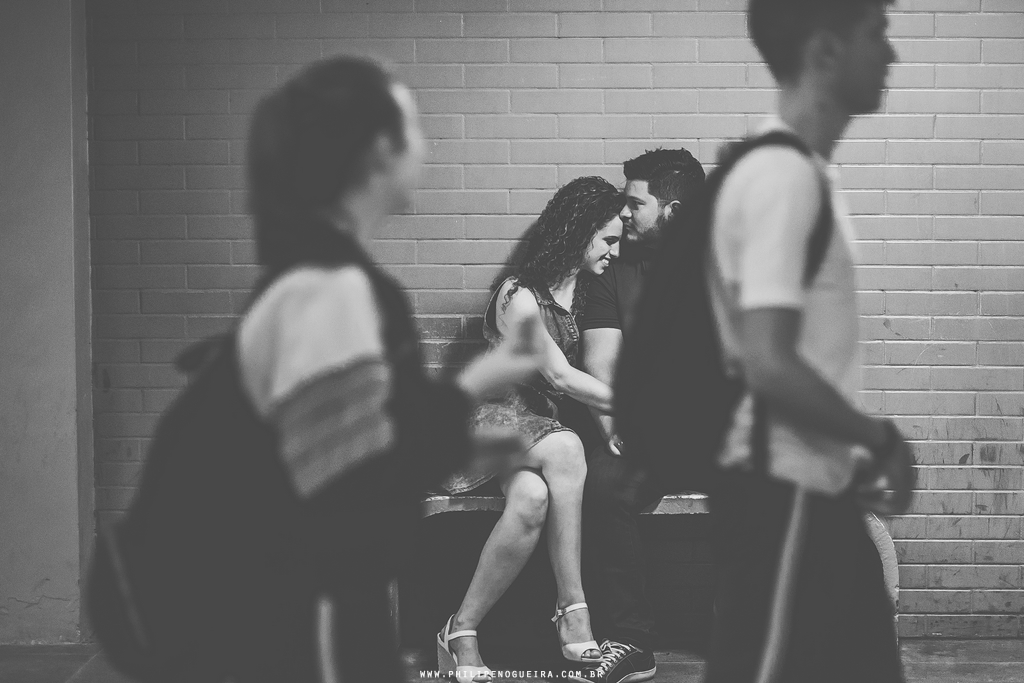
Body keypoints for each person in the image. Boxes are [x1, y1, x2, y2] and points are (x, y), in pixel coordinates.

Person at [234, 56, 544, 682]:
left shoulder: (334, 274)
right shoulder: (334, 288)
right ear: (377, 152)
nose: (424, 147)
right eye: (414, 128)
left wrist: (480, 387)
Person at [704, 1, 912, 681]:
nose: (892, 55)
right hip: (779, 497)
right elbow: (766, 361)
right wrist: (877, 437)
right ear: (825, 51)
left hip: (812, 491)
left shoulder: (806, 174)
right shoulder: (781, 178)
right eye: (876, 34)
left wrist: (846, 457)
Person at [436, 177, 626, 683]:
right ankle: (573, 608)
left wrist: (614, 423)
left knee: (532, 500)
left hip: (533, 436)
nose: (615, 250)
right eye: (608, 239)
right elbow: (560, 376)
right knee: (566, 447)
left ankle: (460, 630)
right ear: (580, 232)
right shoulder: (517, 295)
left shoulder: (585, 294)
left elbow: (590, 378)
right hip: (485, 425)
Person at [578, 148, 706, 682]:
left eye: (636, 204)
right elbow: (600, 362)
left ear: (673, 212)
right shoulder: (616, 271)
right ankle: (631, 641)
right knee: (604, 484)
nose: (624, 214)